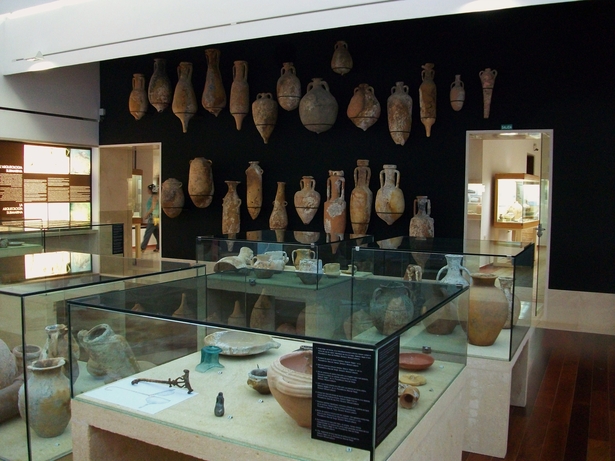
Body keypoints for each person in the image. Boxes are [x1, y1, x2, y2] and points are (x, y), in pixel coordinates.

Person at [140, 184, 159, 253]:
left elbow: (152, 207)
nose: (147, 191)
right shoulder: (154, 197)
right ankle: (159, 246)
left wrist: (146, 215)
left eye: (148, 189)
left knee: (148, 232)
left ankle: (142, 247)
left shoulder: (154, 197)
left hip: (153, 216)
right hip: (155, 217)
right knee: (156, 232)